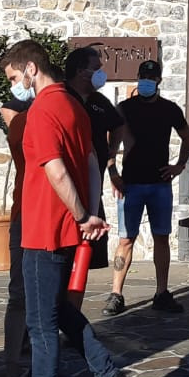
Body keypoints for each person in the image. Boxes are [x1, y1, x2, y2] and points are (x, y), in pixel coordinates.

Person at [0, 40, 133, 377]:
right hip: (66, 230)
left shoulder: (40, 110)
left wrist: (81, 215)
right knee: (55, 310)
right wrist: (89, 214)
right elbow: (92, 163)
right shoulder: (74, 107)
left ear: (31, 69)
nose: (15, 86)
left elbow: (56, 169)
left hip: (44, 230)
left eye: (14, 78)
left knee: (41, 330)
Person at [103, 59, 189, 317]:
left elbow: (186, 137)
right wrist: (113, 173)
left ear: (159, 81)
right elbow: (111, 145)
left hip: (159, 185)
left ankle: (162, 292)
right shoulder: (124, 109)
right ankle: (116, 293)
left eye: (151, 77)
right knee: (125, 239)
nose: (147, 81)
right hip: (130, 184)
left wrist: (179, 165)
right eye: (143, 76)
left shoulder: (170, 109)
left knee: (161, 237)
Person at [65, 46, 123, 275]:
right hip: (68, 185)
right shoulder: (63, 98)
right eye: (96, 69)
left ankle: (74, 303)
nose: (101, 73)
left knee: (87, 253)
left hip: (93, 187)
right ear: (81, 71)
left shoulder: (99, 101)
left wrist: (110, 154)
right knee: (65, 251)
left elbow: (118, 126)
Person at [0, 92, 33, 377]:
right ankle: (14, 370)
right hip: (29, 215)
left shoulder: (22, 122)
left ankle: (23, 369)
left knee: (23, 296)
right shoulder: (22, 123)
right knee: (22, 295)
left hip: (33, 215)